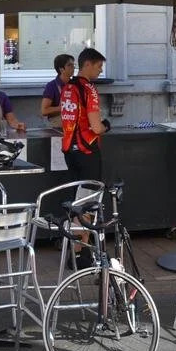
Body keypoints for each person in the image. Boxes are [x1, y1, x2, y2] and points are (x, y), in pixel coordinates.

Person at [60, 48, 110, 267]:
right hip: (87, 151)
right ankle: (80, 254)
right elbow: (96, 127)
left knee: (75, 201)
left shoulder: (67, 87)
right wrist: (106, 125)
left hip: (69, 151)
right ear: (87, 64)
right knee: (88, 203)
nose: (100, 71)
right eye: (98, 66)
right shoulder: (88, 89)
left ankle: (76, 251)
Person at [40, 53, 75, 127]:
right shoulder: (52, 86)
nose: (73, 67)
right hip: (58, 124)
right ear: (61, 69)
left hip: (74, 122)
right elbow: (44, 110)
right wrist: (64, 107)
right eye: (69, 65)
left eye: (73, 65)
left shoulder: (75, 85)